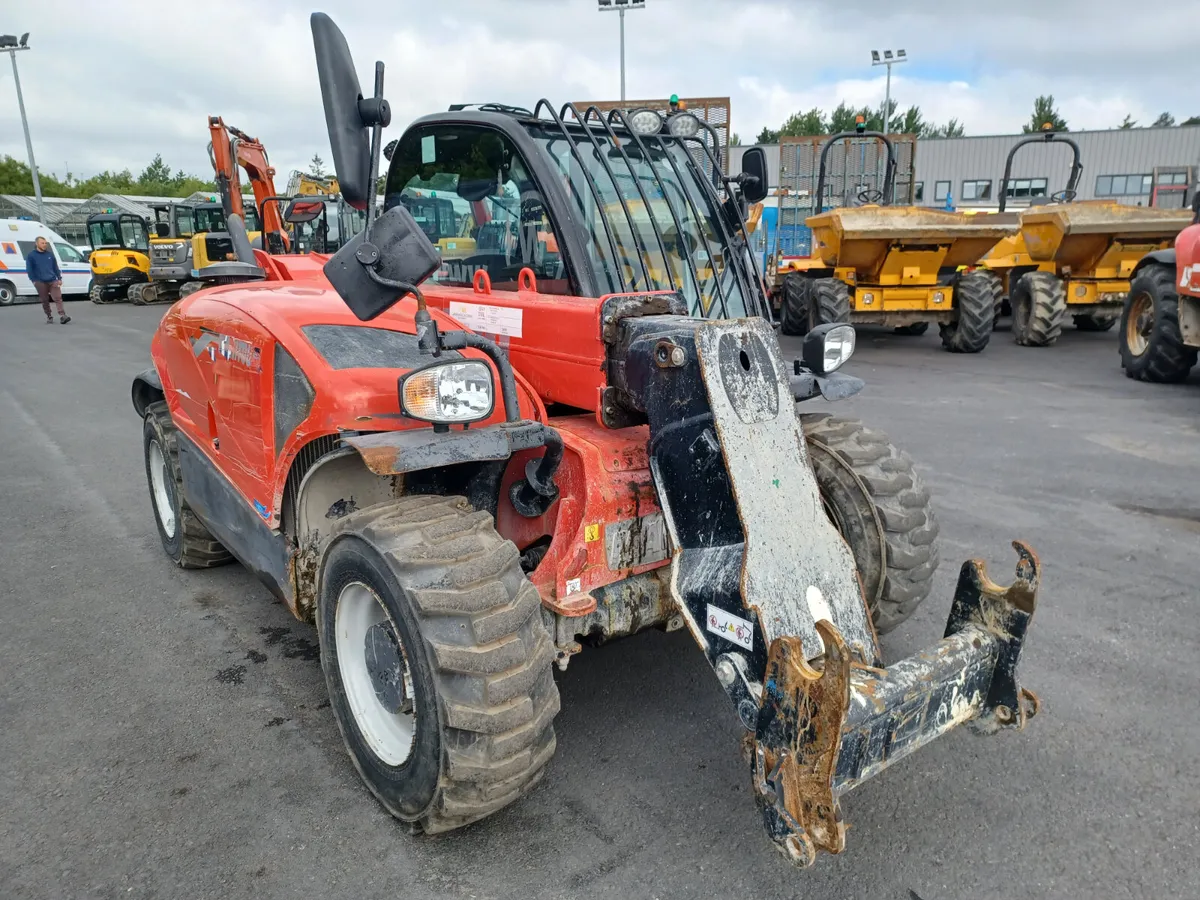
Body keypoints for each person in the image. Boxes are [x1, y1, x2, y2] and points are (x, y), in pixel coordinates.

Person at [26, 236, 70, 324]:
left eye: (45, 243)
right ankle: (49, 315)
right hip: (40, 281)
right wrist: (34, 281)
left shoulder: (49, 255)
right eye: (42, 243)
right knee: (45, 300)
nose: (44, 245)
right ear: (37, 244)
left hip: (52, 280)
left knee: (58, 298)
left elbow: (55, 267)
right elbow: (29, 269)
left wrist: (59, 278)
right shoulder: (31, 256)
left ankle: (62, 316)